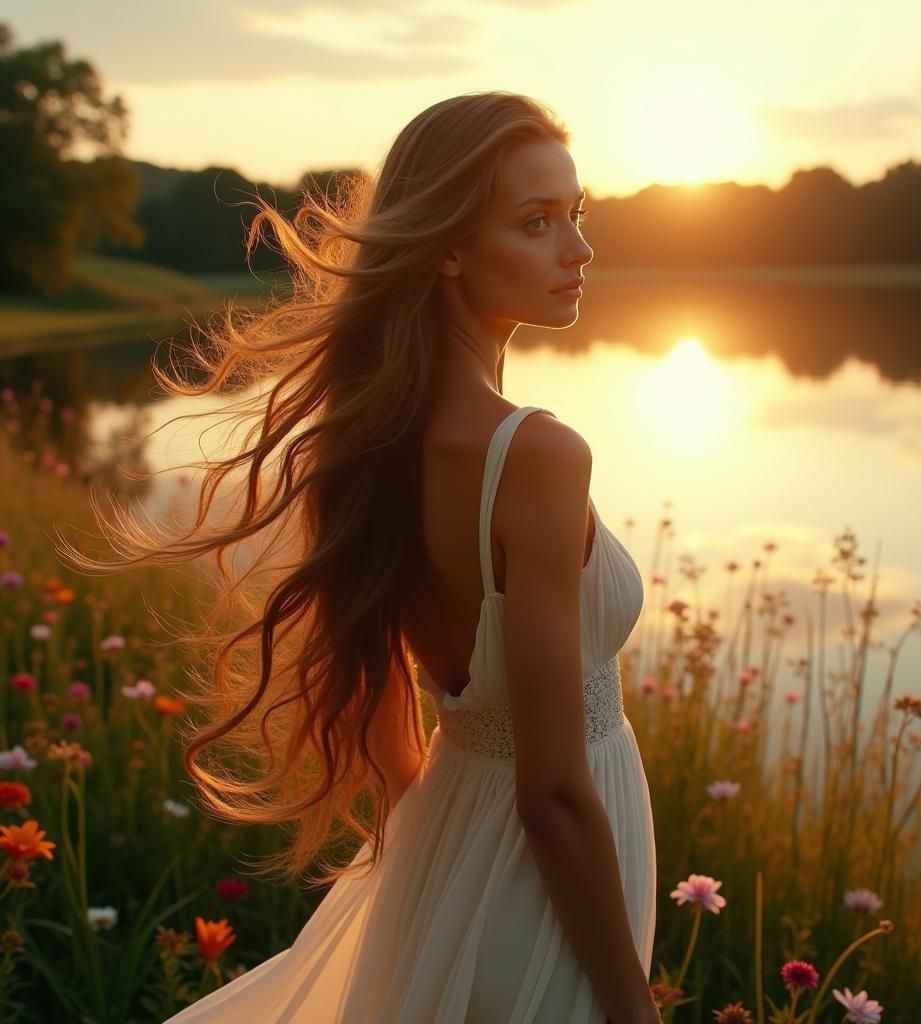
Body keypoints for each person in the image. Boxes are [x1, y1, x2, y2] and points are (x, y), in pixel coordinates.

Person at [63, 91, 659, 1023]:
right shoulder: (539, 454)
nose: (578, 250)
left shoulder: (373, 434)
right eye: (537, 223)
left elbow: (393, 746)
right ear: (449, 247)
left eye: (576, 216)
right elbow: (551, 794)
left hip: (453, 844)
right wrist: (634, 1003)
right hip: (542, 884)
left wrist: (433, 868)